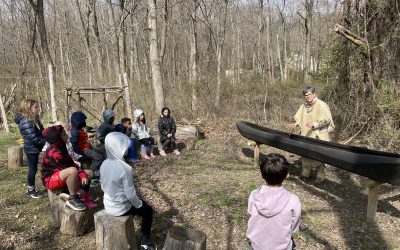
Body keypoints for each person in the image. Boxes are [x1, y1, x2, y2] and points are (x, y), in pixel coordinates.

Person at [100, 132, 157, 250]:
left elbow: (103, 187)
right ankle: (145, 243)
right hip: (121, 208)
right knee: (148, 211)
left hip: (107, 205)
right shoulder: (125, 168)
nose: (127, 150)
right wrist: (140, 204)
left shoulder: (104, 164)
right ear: (118, 149)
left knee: (142, 207)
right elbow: (131, 196)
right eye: (124, 147)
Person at [246, 153, 301, 250]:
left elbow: (250, 216)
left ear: (261, 174)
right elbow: (294, 227)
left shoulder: (254, 195)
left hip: (257, 246)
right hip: (282, 247)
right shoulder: (293, 200)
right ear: (287, 175)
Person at [41, 125, 97, 210]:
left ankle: (84, 195)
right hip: (50, 179)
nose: (67, 135)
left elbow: (71, 163)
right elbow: (68, 169)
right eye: (63, 135)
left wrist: (82, 175)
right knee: (72, 171)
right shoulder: (54, 152)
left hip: (61, 174)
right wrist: (77, 188)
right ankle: (72, 198)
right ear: (57, 139)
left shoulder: (62, 147)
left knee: (89, 173)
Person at [290, 86, 334, 183]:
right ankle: (305, 173)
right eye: (306, 95)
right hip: (306, 135)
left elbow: (327, 120)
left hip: (319, 136)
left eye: (309, 95)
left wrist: (315, 124)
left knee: (320, 155)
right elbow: (299, 117)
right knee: (305, 154)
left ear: (314, 94)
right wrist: (296, 124)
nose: (308, 97)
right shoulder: (304, 106)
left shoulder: (322, 105)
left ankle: (320, 175)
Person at [14, 99, 46, 198]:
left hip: (35, 147)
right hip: (31, 149)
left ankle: (32, 188)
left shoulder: (33, 118)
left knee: (34, 168)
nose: (38, 109)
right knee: (32, 170)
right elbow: (34, 137)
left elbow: (40, 131)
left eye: (37, 107)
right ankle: (30, 190)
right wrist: (47, 141)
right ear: (28, 108)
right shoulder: (26, 121)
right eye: (35, 107)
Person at [70, 111, 105, 179]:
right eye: (83, 121)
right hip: (83, 150)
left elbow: (82, 139)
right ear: (78, 122)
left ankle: (101, 168)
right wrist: (81, 154)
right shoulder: (74, 132)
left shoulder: (78, 129)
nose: (84, 122)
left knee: (102, 152)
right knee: (99, 157)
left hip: (87, 146)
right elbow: (73, 145)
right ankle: (90, 173)